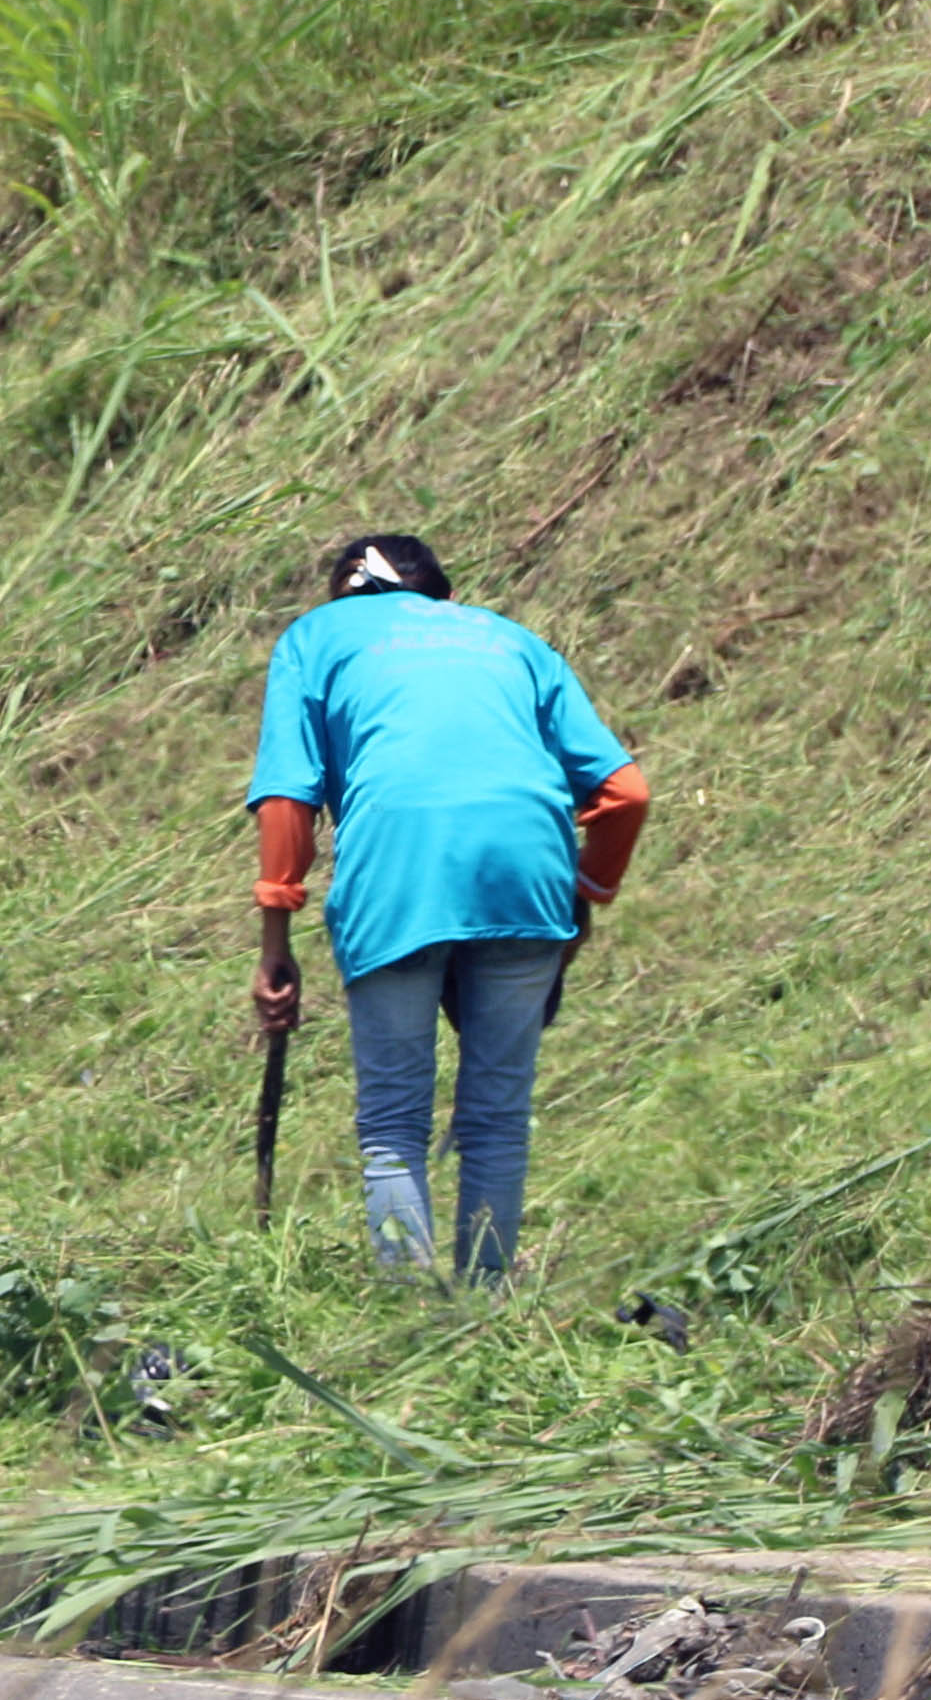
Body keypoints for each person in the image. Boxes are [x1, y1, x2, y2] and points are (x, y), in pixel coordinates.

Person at [248, 535, 648, 1284]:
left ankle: (416, 1322)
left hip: (396, 877)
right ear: (445, 599)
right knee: (496, 1117)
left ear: (342, 598)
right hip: (528, 873)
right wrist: (588, 893)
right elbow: (625, 794)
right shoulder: (510, 639)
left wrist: (276, 939)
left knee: (394, 1125)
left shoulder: (315, 637)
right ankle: (486, 1313)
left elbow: (287, 797)